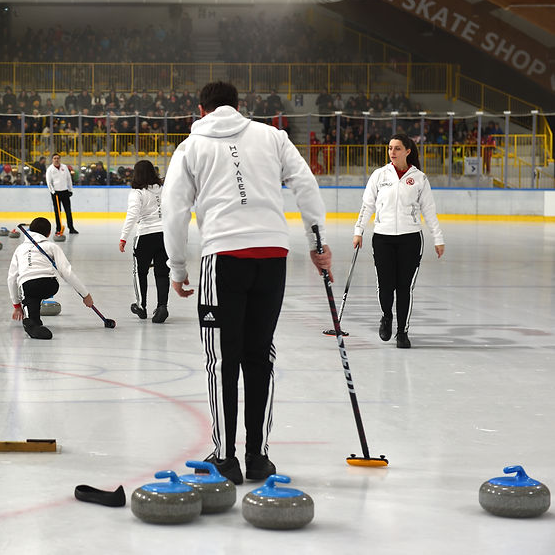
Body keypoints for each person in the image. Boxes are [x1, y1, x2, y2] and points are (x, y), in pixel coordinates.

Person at [162, 81, 331, 485]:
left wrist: (177, 267)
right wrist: (317, 242)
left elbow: (174, 208)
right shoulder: (272, 136)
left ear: (201, 110)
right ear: (239, 107)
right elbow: (305, 184)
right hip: (273, 256)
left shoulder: (191, 147)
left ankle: (225, 458)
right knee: (259, 357)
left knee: (222, 359)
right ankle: (258, 457)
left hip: (223, 258)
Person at [353, 133, 444, 350]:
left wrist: (438, 238)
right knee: (385, 286)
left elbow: (429, 210)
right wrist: (359, 231)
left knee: (404, 288)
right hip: (382, 238)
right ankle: (386, 317)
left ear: (408, 151)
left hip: (410, 239)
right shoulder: (379, 175)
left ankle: (402, 332)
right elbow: (367, 205)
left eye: (397, 148)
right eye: (390, 148)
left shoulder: (419, 178)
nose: (392, 152)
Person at [7, 217, 94, 340]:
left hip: (28, 286)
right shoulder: (51, 246)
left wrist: (17, 305)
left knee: (30, 301)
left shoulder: (19, 249)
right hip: (49, 285)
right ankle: (36, 321)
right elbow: (66, 272)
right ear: (48, 233)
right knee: (36, 294)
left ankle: (31, 323)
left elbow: (11, 279)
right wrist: (85, 295)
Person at [119, 160, 170, 324]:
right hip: (165, 235)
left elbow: (132, 215)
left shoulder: (137, 192)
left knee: (140, 272)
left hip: (146, 235)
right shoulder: (163, 189)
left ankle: (141, 306)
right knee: (162, 273)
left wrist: (123, 237)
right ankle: (162, 306)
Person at [45, 153, 77, 235]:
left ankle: (71, 228)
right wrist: (53, 192)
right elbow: (49, 182)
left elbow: (69, 179)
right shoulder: (50, 169)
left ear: (60, 159)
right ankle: (58, 228)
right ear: (52, 159)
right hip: (56, 193)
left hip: (65, 191)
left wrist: (70, 190)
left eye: (58, 158)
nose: (56, 160)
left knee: (68, 211)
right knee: (57, 212)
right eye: (55, 158)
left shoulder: (64, 167)